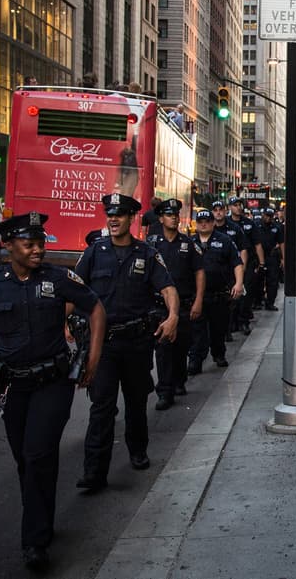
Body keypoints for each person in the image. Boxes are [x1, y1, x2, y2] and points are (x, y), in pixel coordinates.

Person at [0, 213, 106, 570]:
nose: (39, 249)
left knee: (38, 454)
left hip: (52, 383)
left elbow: (96, 308)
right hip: (13, 386)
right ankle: (42, 515)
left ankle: (35, 542)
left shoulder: (58, 279)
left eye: (41, 242)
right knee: (26, 460)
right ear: (8, 246)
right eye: (30, 244)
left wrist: (93, 359)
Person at [75, 193, 179, 493]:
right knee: (102, 407)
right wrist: (62, 324)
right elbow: (73, 289)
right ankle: (94, 472)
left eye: (119, 215)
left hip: (136, 342)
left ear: (131, 218)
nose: (113, 219)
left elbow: (168, 288)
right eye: (110, 214)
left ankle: (137, 449)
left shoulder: (146, 254)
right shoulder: (95, 252)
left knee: (136, 402)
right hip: (103, 345)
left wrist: (172, 316)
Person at [146, 199, 205, 410]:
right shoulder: (151, 244)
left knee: (181, 347)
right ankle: (165, 391)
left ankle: (179, 380)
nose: (173, 218)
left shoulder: (188, 244)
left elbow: (199, 272)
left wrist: (198, 300)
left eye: (175, 215)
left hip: (185, 305)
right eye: (169, 215)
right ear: (161, 218)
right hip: (159, 306)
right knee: (163, 349)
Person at [188, 209, 244, 374]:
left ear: (213, 223)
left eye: (207, 221)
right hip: (197, 295)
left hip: (218, 294)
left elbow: (237, 263)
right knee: (197, 332)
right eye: (200, 221)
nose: (203, 224)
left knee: (218, 328)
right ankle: (195, 360)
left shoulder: (224, 241)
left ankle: (218, 353)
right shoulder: (189, 243)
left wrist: (239, 283)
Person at [211, 200, 249, 340]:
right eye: (215, 210)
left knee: (229, 304)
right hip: (212, 273)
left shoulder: (234, 228)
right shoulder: (208, 229)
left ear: (225, 210)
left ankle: (228, 329)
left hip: (230, 272)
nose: (218, 212)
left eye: (221, 209)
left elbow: (243, 249)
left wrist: (242, 269)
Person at [228, 196, 265, 321]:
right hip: (231, 264)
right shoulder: (227, 223)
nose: (238, 207)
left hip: (248, 263)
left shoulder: (249, 224)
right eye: (235, 205)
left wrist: (261, 263)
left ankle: (244, 319)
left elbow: (257, 244)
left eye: (240, 205)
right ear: (230, 207)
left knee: (247, 291)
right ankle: (232, 321)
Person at [259, 207, 284, 310]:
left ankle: (270, 302)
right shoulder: (257, 225)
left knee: (272, 281)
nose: (268, 218)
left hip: (272, 256)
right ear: (263, 215)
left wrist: (283, 258)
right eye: (267, 215)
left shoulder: (277, 227)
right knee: (258, 280)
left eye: (270, 216)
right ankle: (258, 300)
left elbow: (282, 243)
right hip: (259, 256)